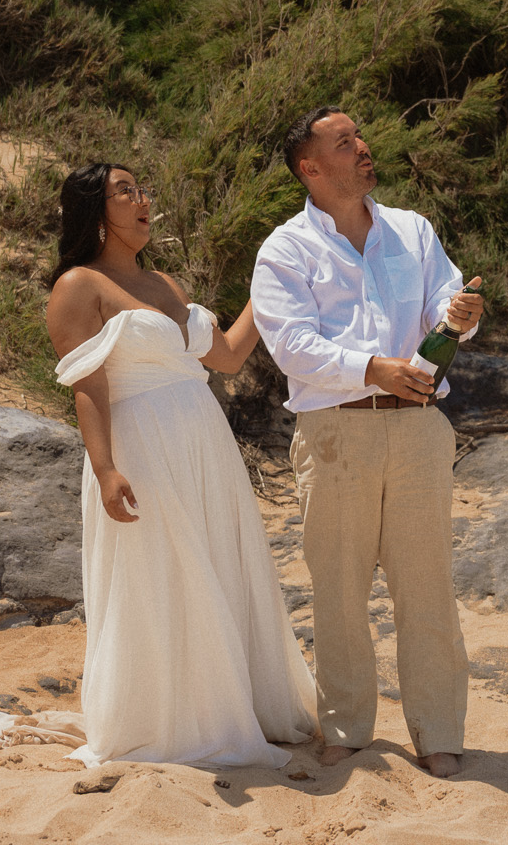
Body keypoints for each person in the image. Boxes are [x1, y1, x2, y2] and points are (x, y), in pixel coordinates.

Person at [45, 161, 317, 768]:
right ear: (95, 211)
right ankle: (168, 720)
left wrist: (266, 290)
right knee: (159, 573)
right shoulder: (78, 287)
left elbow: (224, 357)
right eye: (125, 192)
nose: (142, 200)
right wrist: (106, 467)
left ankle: (230, 705)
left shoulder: (165, 284)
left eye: (144, 189)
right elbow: (87, 386)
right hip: (140, 446)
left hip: (202, 441)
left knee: (218, 562)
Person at [249, 107, 486, 779]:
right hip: (335, 433)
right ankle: (347, 728)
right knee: (339, 586)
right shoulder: (285, 249)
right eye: (345, 142)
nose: (363, 146)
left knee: (427, 584)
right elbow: (293, 346)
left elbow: (449, 303)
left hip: (418, 427)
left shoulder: (411, 230)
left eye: (361, 135)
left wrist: (462, 317)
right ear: (310, 166)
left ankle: (438, 731)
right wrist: (374, 368)